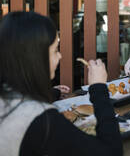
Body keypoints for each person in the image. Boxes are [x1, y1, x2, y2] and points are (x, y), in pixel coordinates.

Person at [0, 11, 122, 156]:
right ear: (34, 58)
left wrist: (53, 93)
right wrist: (99, 88)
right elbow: (111, 151)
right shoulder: (42, 121)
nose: (60, 56)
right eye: (55, 50)